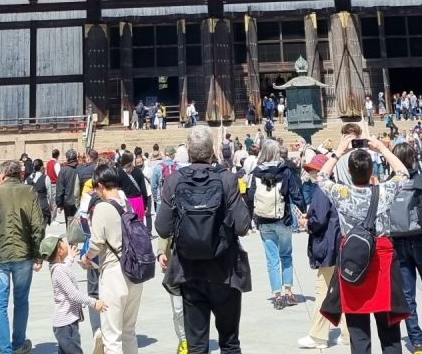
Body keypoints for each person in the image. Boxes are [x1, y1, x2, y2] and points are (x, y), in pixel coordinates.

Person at [156, 124, 253, 354]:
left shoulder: (175, 180)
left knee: (197, 346)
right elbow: (242, 226)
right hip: (224, 270)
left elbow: (162, 227)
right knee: (229, 343)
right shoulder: (227, 180)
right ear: (212, 152)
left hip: (190, 272)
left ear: (188, 151)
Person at [316, 129, 412, 354]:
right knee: (390, 333)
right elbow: (403, 173)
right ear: (372, 171)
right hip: (381, 260)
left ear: (349, 172)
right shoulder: (385, 191)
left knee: (358, 333)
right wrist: (381, 148)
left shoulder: (341, 193)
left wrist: (338, 152)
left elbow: (320, 177)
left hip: (354, 262)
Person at [0, 159, 46, 354]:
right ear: (19, 175)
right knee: (21, 301)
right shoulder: (29, 192)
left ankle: (5, 350)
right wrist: (38, 256)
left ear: (2, 175)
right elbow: (38, 225)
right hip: (23, 254)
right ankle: (18, 343)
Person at [383, 142, 422, 354]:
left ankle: (417, 341)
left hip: (398, 239)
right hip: (420, 237)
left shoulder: (389, 184)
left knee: (407, 293)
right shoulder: (421, 181)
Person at [85, 165, 146, 354]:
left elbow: (96, 243)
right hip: (134, 272)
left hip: (113, 273)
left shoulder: (102, 208)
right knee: (128, 332)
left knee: (112, 336)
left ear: (101, 186)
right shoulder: (126, 202)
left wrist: (86, 258)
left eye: (96, 188)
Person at [245, 139, 301, 309]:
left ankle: (277, 295)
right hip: (283, 218)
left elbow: (250, 195)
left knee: (272, 258)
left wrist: (251, 217)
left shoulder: (256, 172)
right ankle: (289, 292)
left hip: (264, 219)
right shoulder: (285, 170)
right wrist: (304, 209)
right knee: (286, 255)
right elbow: (294, 192)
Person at [297, 150, 341, 351]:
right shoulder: (335, 187)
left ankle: (318, 335)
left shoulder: (322, 190)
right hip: (337, 243)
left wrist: (307, 221)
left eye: (315, 170)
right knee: (341, 289)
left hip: (327, 244)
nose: (313, 174)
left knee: (322, 290)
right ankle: (348, 333)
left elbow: (320, 220)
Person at [44, 231, 107, 353]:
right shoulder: (58, 271)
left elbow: (64, 267)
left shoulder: (58, 267)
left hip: (69, 322)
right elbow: (73, 294)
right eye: (62, 243)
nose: (66, 244)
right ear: (59, 252)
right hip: (65, 326)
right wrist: (94, 303)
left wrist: (70, 258)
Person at [57, 148, 82, 223]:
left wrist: (59, 204)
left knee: (69, 225)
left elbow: (60, 189)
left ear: (67, 158)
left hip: (68, 202)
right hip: (80, 201)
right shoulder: (82, 168)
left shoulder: (63, 170)